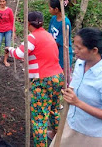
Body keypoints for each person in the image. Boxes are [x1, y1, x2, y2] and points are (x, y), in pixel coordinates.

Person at [50, 28, 102, 147]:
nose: (75, 51)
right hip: (72, 125)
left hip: (93, 136)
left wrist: (77, 102)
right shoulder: (80, 64)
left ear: (94, 50)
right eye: (75, 46)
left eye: (79, 48)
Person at [5, 11, 64, 147]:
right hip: (57, 77)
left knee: (39, 118)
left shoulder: (32, 37)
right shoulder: (48, 35)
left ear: (28, 23)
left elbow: (20, 53)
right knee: (54, 109)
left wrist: (10, 49)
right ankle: (58, 137)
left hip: (43, 80)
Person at [48, 0, 73, 69]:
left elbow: (59, 42)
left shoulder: (65, 23)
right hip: (53, 51)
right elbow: (49, 33)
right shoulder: (53, 19)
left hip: (62, 53)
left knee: (62, 74)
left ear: (56, 9)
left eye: (50, 8)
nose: (49, 10)